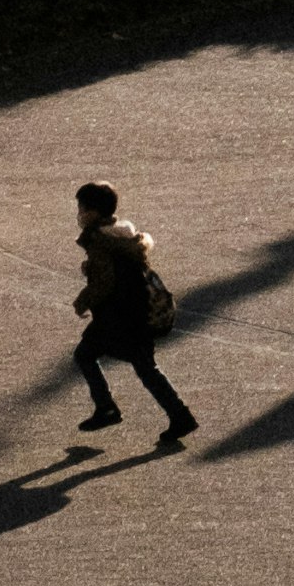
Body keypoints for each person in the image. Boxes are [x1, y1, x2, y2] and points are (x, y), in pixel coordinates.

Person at [70, 179, 197, 445]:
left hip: (120, 316)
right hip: (135, 310)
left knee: (88, 355)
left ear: (93, 212)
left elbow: (104, 282)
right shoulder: (121, 235)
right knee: (142, 366)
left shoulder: (100, 241)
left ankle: (108, 408)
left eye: (82, 208)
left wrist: (82, 301)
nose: (79, 213)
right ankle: (178, 415)